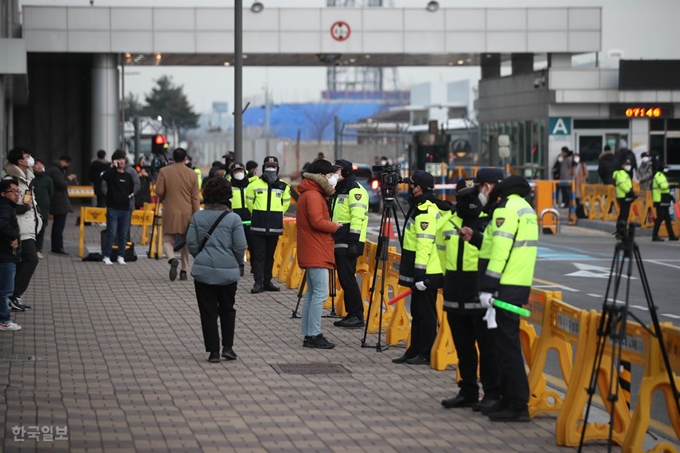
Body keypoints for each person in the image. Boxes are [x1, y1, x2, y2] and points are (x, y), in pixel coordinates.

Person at [466, 170, 537, 422]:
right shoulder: (525, 208)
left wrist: (488, 287)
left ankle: (518, 405)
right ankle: (508, 399)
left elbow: (500, 251)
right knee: (505, 346)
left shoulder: (505, 209)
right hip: (517, 284)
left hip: (503, 287)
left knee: (506, 349)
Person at [437, 177, 500, 412]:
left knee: (487, 346)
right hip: (454, 287)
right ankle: (468, 390)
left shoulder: (488, 221)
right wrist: (445, 279)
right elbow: (440, 253)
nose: (469, 201)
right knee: (462, 346)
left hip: (479, 287)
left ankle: (492, 392)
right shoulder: (447, 221)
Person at [187, 177, 247, 363]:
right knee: (228, 309)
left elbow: (191, 242)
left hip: (203, 273)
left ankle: (213, 352)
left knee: (208, 312)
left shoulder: (198, 216)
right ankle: (228, 348)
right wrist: (238, 263)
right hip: (228, 272)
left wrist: (201, 257)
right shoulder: (234, 218)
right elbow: (240, 246)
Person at [392, 170, 448, 365]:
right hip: (422, 270)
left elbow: (424, 245)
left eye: (412, 185)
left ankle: (425, 352)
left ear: (419, 188)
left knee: (425, 314)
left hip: (427, 272)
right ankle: (414, 349)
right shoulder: (419, 206)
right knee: (417, 312)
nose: (410, 188)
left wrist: (420, 274)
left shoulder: (425, 211)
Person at [296, 159, 342, 349]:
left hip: (312, 248)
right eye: (330, 174)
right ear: (322, 175)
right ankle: (314, 334)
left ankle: (309, 333)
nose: (333, 178)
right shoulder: (314, 195)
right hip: (317, 249)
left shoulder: (310, 193)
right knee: (320, 293)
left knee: (312, 293)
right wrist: (336, 226)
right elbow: (317, 222)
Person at [330, 160, 369, 329]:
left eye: (336, 171)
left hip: (349, 241)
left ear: (345, 171)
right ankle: (351, 313)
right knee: (345, 279)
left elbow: (357, 217)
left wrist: (353, 242)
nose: (333, 174)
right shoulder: (341, 189)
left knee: (348, 278)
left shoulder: (355, 190)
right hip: (340, 239)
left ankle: (357, 315)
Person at [3, 148, 42, 312]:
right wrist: (23, 208)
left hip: (28, 226)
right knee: (31, 258)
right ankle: (13, 295)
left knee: (22, 261)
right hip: (18, 227)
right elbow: (5, 206)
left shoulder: (27, 178)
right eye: (27, 157)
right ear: (20, 161)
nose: (31, 159)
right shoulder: (10, 179)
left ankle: (12, 296)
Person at [245, 156, 291, 293]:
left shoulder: (283, 186)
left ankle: (267, 282)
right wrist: (259, 215)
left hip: (275, 225)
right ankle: (258, 283)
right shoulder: (254, 185)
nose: (271, 169)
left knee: (270, 255)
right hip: (258, 225)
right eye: (268, 166)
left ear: (278, 168)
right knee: (259, 255)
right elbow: (249, 204)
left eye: (274, 166)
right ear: (263, 168)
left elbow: (286, 204)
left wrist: (275, 215)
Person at [155, 148, 201, 281]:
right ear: (185, 158)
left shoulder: (164, 171)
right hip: (187, 212)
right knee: (185, 242)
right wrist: (196, 214)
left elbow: (158, 191)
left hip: (170, 210)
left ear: (173, 158)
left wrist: (166, 195)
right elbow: (195, 197)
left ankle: (172, 259)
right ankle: (184, 271)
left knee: (167, 240)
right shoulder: (192, 174)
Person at [100, 150, 135, 265]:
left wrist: (126, 200)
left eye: (123, 159)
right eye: (119, 159)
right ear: (115, 161)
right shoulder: (111, 174)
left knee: (123, 234)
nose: (122, 161)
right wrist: (113, 167)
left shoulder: (128, 176)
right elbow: (104, 177)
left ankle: (121, 255)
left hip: (125, 209)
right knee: (111, 233)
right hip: (112, 209)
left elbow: (131, 190)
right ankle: (106, 256)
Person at [0, 179, 23, 331]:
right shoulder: (4, 207)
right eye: (12, 192)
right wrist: (13, 236)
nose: (16, 194)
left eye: (17, 191)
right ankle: (4, 320)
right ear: (3, 194)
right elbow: (2, 224)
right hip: (5, 255)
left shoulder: (7, 206)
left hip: (6, 254)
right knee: (5, 290)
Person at [47, 155, 76, 255]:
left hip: (57, 201)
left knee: (57, 225)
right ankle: (58, 247)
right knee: (59, 226)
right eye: (68, 164)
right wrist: (68, 179)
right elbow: (61, 184)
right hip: (59, 202)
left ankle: (57, 246)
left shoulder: (54, 169)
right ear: (65, 162)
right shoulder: (56, 171)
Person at [32, 159, 53, 259]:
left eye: (41, 164)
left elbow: (51, 193)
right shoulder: (30, 178)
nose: (39, 166)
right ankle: (31, 250)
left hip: (43, 208)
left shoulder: (48, 179)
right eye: (37, 164)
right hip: (31, 208)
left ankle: (38, 250)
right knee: (32, 230)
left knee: (41, 231)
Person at [651, 164, 678, 242]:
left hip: (664, 199)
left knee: (667, 218)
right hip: (660, 199)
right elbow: (663, 186)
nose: (667, 170)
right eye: (665, 168)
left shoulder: (662, 175)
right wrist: (670, 185)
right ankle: (655, 236)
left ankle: (671, 236)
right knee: (660, 218)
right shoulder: (659, 175)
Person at [229, 163, 252, 253]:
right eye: (236, 171)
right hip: (234, 222)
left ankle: (254, 266)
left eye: (241, 170)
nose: (239, 173)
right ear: (232, 173)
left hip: (250, 222)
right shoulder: (228, 187)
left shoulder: (251, 186)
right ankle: (239, 265)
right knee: (236, 247)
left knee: (253, 248)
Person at [613, 159, 635, 232]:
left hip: (625, 195)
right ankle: (622, 229)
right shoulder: (621, 173)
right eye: (627, 164)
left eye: (629, 164)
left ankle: (619, 229)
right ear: (622, 165)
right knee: (624, 214)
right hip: (624, 195)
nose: (628, 166)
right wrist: (629, 191)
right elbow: (622, 184)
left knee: (623, 213)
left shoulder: (624, 173)